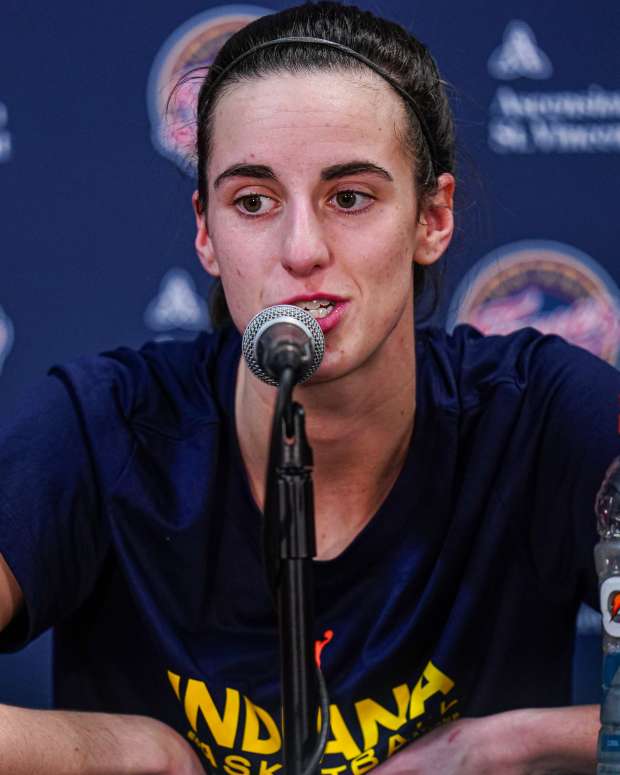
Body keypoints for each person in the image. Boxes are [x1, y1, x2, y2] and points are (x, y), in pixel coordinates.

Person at [0, 2, 617, 773]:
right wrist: (133, 752)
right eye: (253, 201)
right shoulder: (105, 428)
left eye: (350, 197)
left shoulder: (540, 415)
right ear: (206, 232)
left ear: (432, 216)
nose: (301, 249)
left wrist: (499, 744)